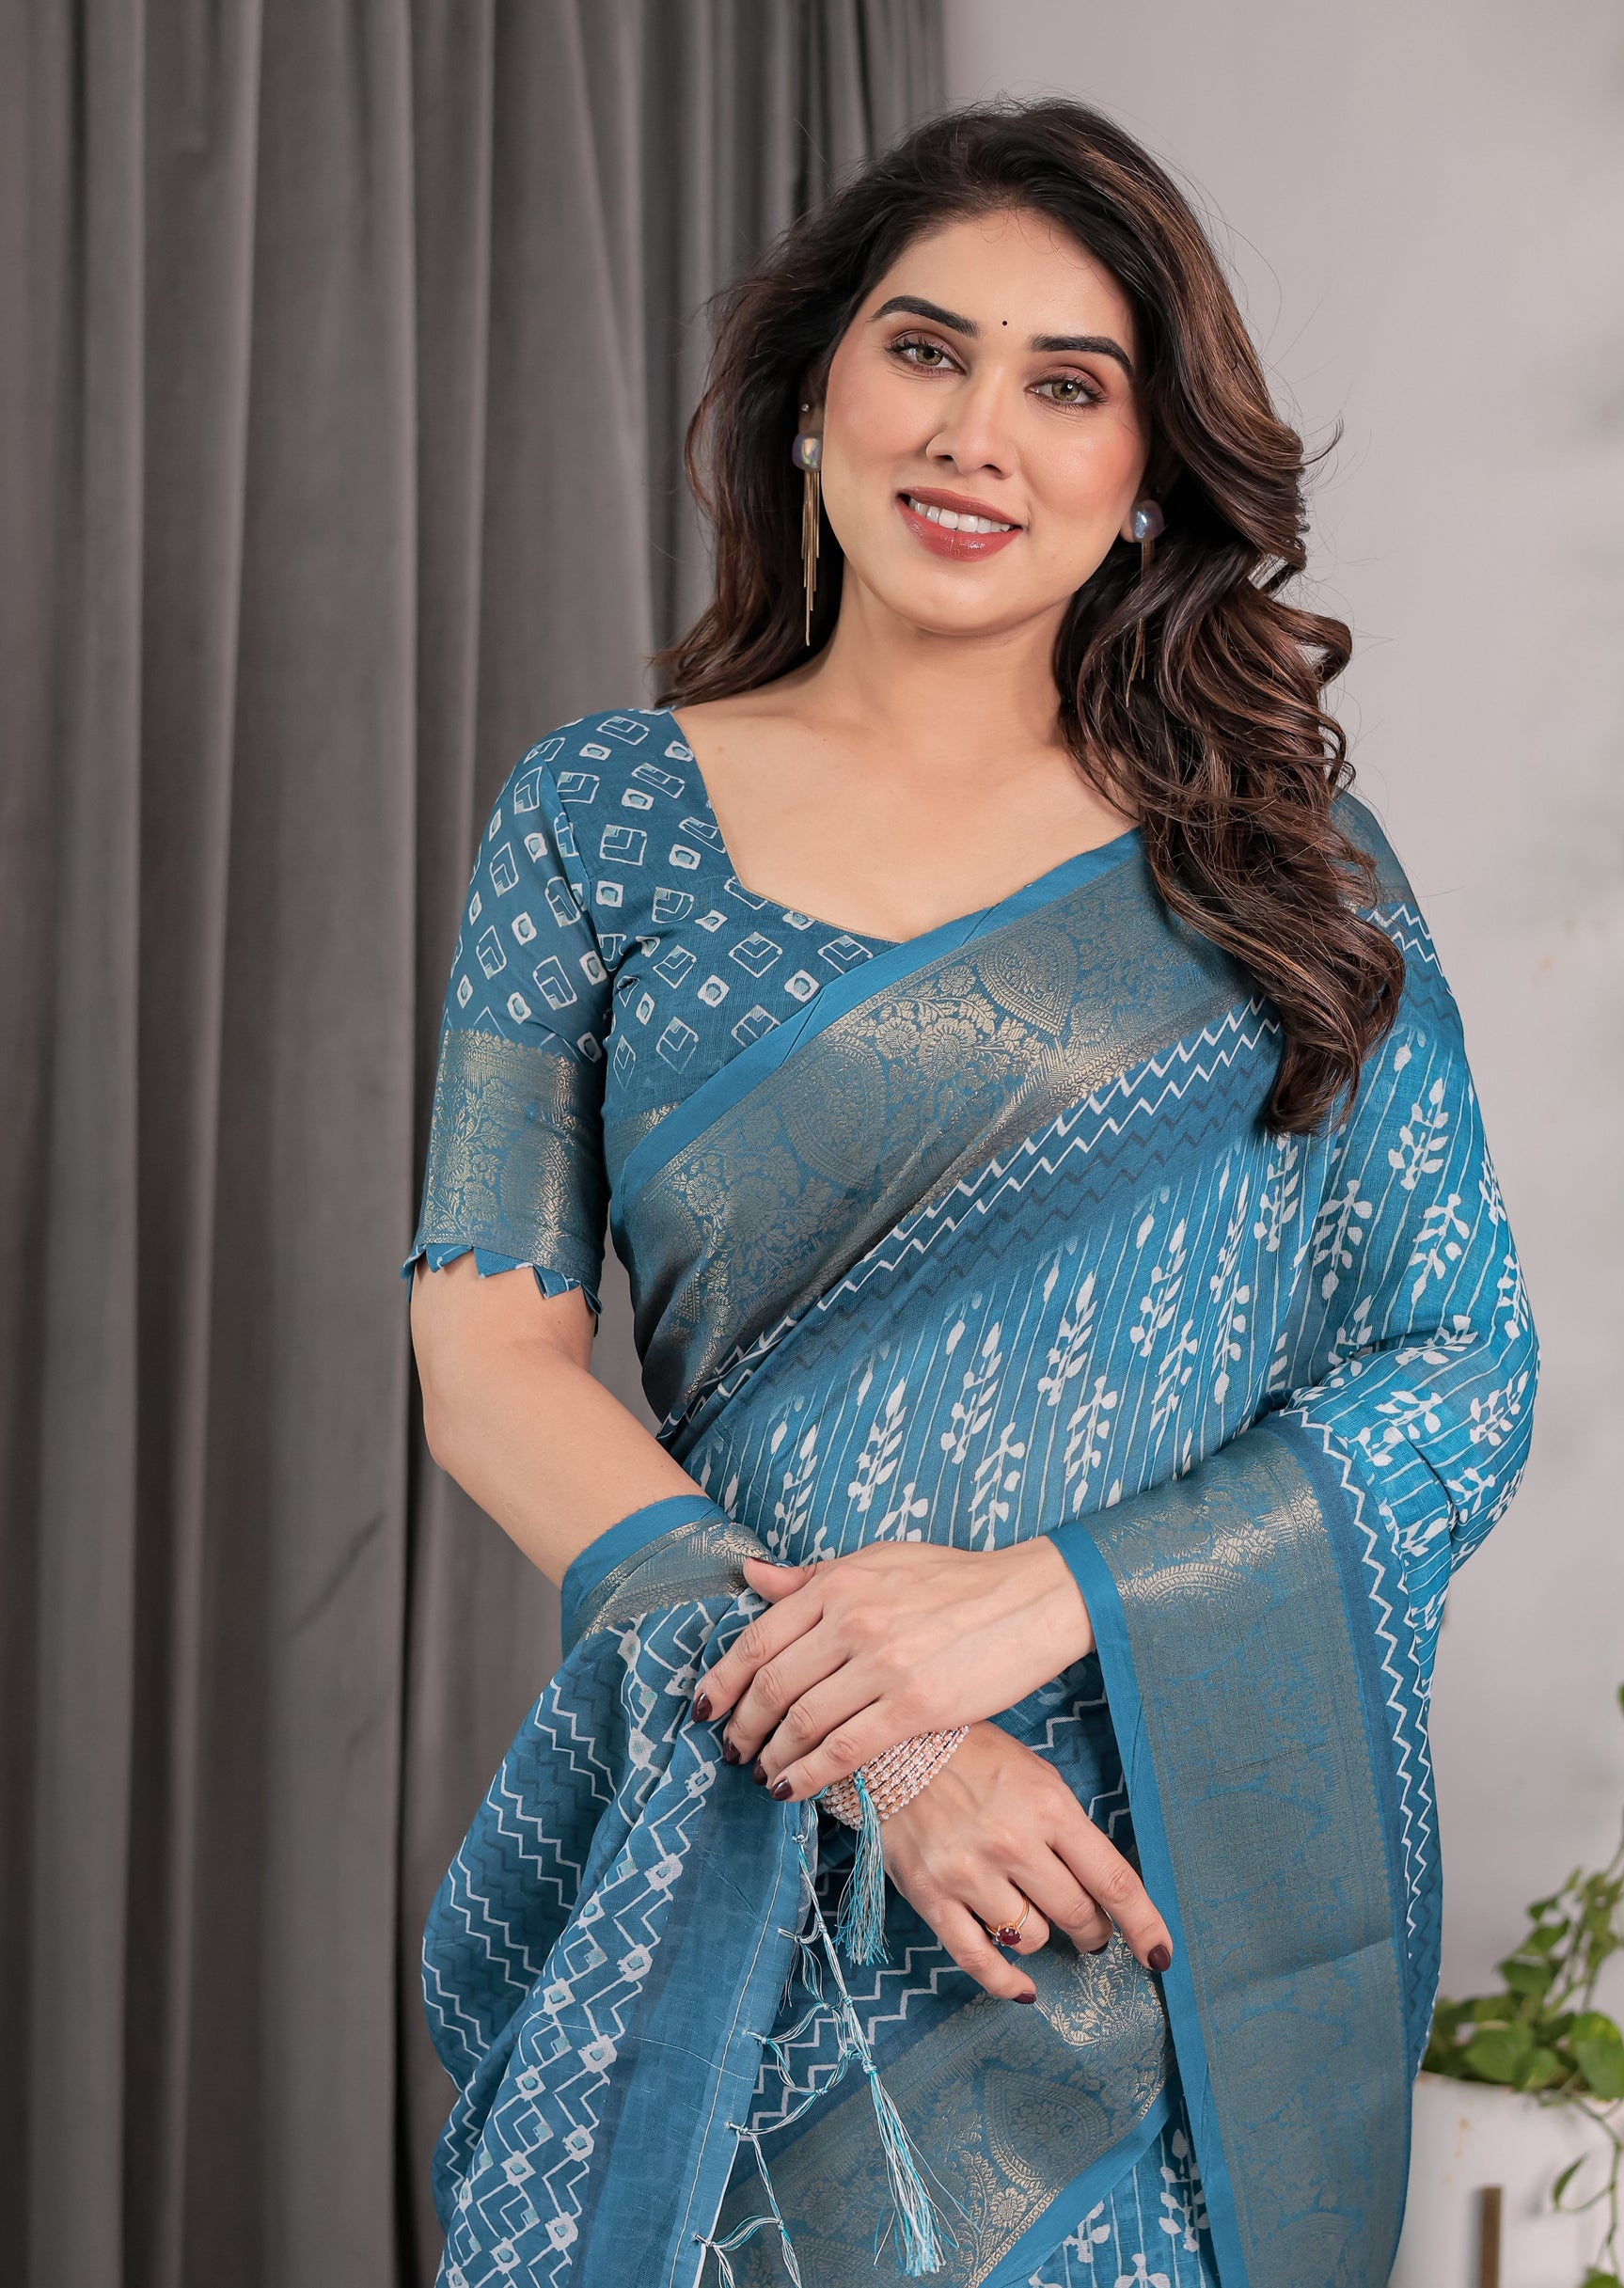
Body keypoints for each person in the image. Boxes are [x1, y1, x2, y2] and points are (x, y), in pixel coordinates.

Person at [405, 97, 1538, 2288]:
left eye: (1066, 384)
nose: (974, 434)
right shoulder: (601, 818)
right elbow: (487, 1352)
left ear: (1145, 477)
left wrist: (1047, 1597)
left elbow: (1457, 1363)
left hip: (1128, 1878)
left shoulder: (1280, 873)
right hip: (742, 1810)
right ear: (815, 388)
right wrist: (887, 1730)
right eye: (924, 350)